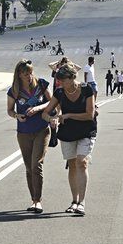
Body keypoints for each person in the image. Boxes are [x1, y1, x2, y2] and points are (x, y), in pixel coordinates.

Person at [42, 62, 97, 216]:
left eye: (64, 80)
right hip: (68, 133)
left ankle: (82, 202)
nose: (61, 83)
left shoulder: (86, 89)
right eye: (59, 81)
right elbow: (45, 113)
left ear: (73, 78)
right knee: (72, 165)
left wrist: (68, 115)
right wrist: (51, 119)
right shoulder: (59, 92)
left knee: (82, 162)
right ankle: (74, 201)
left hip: (86, 130)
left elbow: (89, 114)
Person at [7, 60, 52, 214]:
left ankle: (38, 201)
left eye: (31, 72)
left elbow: (52, 102)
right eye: (25, 74)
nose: (29, 76)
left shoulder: (41, 84)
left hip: (41, 129)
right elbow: (9, 110)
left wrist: (38, 108)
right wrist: (17, 116)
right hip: (23, 132)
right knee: (28, 167)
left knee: (36, 165)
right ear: (19, 75)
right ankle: (33, 200)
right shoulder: (14, 90)